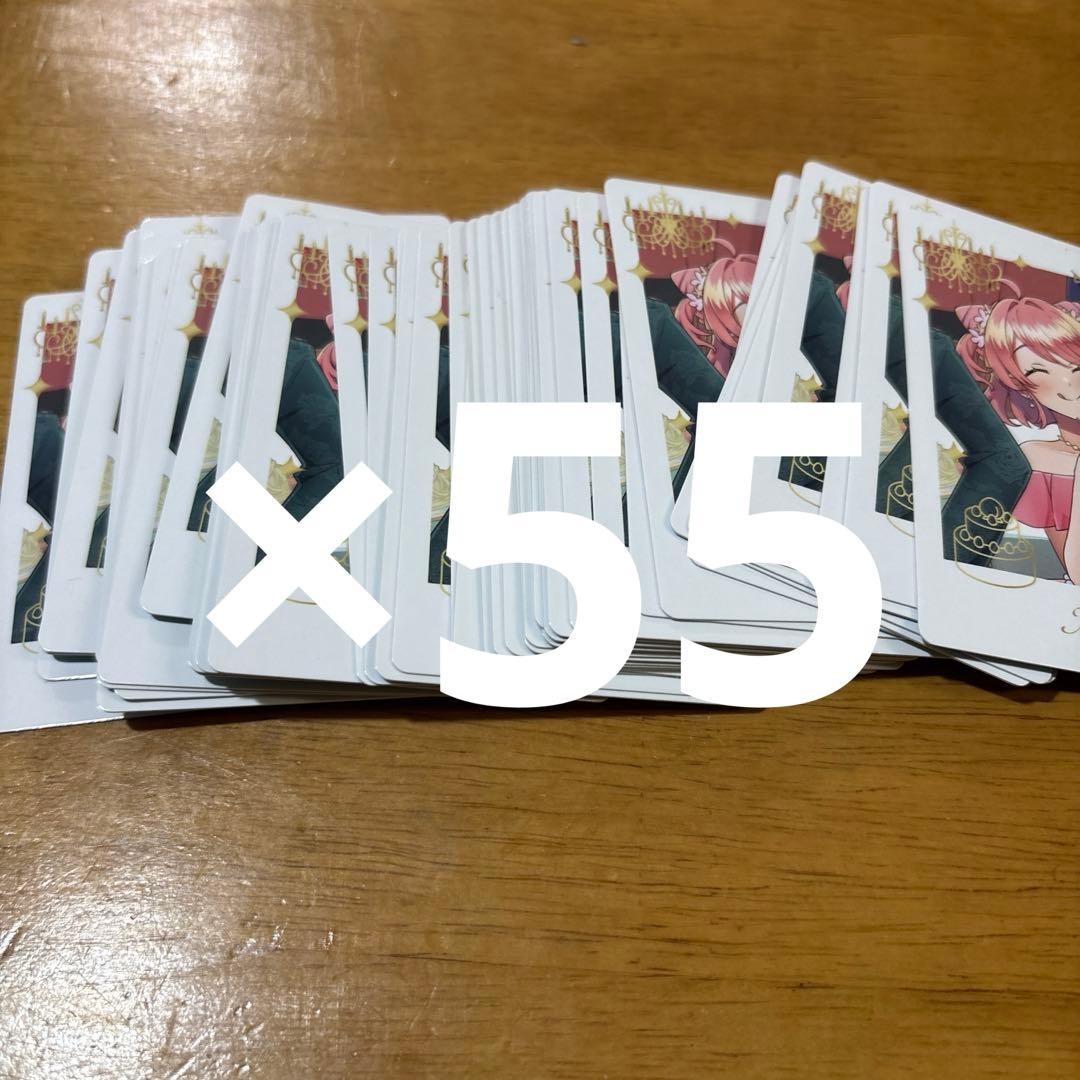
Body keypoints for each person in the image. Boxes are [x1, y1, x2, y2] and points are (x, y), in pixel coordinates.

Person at [957, 296, 1080, 579]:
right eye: (1038, 370)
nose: (1068, 383)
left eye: (1076, 365)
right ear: (1018, 385)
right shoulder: (1036, 461)